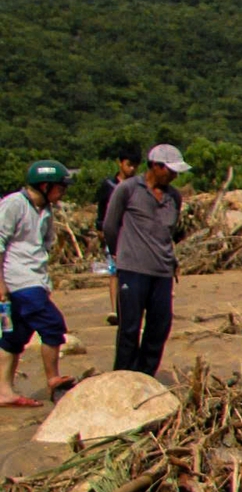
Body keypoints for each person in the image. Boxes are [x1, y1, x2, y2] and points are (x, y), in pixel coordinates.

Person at [102, 143, 188, 378]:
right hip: (133, 268)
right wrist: (119, 253)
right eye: (170, 170)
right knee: (129, 327)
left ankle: (145, 374)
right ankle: (123, 376)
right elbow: (110, 226)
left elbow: (169, 232)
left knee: (160, 326)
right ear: (155, 166)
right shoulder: (128, 189)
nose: (174, 176)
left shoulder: (174, 197)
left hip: (162, 270)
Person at [0, 161, 78, 407]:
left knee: (14, 336)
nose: (63, 192)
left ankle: (4, 391)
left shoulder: (45, 210)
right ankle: (53, 378)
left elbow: (44, 245)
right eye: (60, 188)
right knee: (52, 325)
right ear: (45, 186)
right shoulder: (14, 204)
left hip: (35, 280)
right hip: (19, 280)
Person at [94, 149, 140, 326]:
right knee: (115, 272)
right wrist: (101, 230)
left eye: (135, 166)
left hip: (134, 233)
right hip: (115, 233)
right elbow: (101, 210)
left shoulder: (139, 185)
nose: (132, 169)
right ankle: (115, 309)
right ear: (120, 163)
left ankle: (132, 308)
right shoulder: (109, 186)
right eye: (129, 165)